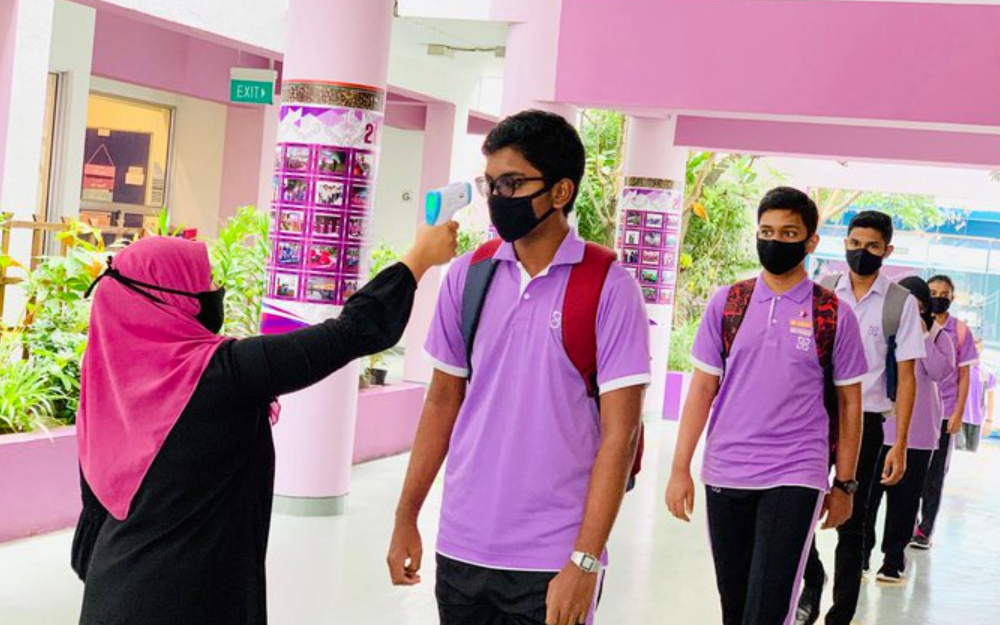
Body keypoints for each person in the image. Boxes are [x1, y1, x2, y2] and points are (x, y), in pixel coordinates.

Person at [72, 226, 458, 625]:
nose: (215, 290)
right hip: (189, 600)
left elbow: (95, 506)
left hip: (112, 590)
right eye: (204, 283)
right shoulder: (224, 373)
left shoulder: (108, 379)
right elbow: (352, 332)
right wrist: (418, 260)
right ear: (173, 299)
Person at [387, 110, 651, 625]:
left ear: (559, 191)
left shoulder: (609, 287)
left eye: (512, 182)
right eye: (491, 184)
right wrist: (405, 517)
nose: (497, 197)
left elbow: (621, 437)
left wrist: (585, 560)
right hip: (462, 548)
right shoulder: (468, 275)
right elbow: (442, 402)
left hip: (553, 558)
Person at [666, 187, 868, 625]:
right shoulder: (728, 303)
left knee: (768, 605)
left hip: (795, 472)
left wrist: (846, 484)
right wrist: (680, 467)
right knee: (734, 604)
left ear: (811, 241)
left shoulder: (831, 313)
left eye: (789, 232)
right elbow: (701, 390)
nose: (775, 241)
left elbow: (851, 405)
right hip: (727, 469)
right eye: (767, 231)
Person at [797, 210, 925, 625]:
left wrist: (899, 443)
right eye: (854, 244)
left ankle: (841, 612)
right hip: (817, 418)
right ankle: (811, 586)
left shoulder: (899, 304)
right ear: (844, 243)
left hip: (868, 423)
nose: (860, 253)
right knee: (800, 506)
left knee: (854, 519)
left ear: (886, 250)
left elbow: (907, 378)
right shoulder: (824, 291)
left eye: (871, 247)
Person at [863, 276, 955, 583]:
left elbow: (940, 372)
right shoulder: (886, 329)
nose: (911, 312)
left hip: (917, 435)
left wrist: (924, 335)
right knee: (868, 497)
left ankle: (892, 561)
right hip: (880, 427)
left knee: (904, 502)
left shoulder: (940, 337)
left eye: (918, 306)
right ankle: (861, 555)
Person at [912, 275, 979, 549]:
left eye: (944, 293)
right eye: (932, 292)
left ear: (952, 298)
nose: (938, 296)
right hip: (914, 412)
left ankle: (924, 530)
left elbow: (965, 377)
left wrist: (958, 414)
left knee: (935, 474)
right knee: (911, 473)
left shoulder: (960, 332)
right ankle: (910, 522)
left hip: (944, 412)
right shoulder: (913, 323)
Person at [956, 343, 993, 453]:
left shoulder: (986, 372)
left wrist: (989, 420)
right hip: (959, 418)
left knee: (972, 452)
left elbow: (990, 397)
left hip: (977, 419)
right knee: (958, 452)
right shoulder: (958, 369)